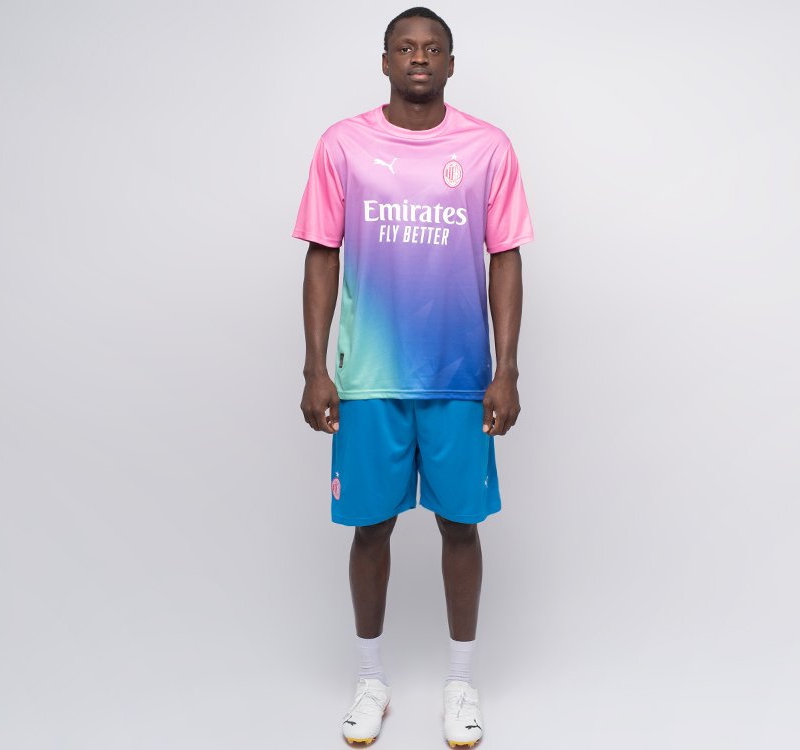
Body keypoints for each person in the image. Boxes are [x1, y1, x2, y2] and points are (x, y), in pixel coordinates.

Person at [292, 7, 532, 746]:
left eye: (432, 48)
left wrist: (506, 370)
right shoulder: (343, 145)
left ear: (451, 64)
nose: (419, 58)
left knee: (461, 526)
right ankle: (371, 681)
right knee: (371, 527)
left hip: (460, 376)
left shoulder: (488, 147)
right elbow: (322, 252)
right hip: (368, 376)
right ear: (386, 61)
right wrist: (314, 367)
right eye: (405, 47)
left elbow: (506, 257)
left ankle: (461, 684)